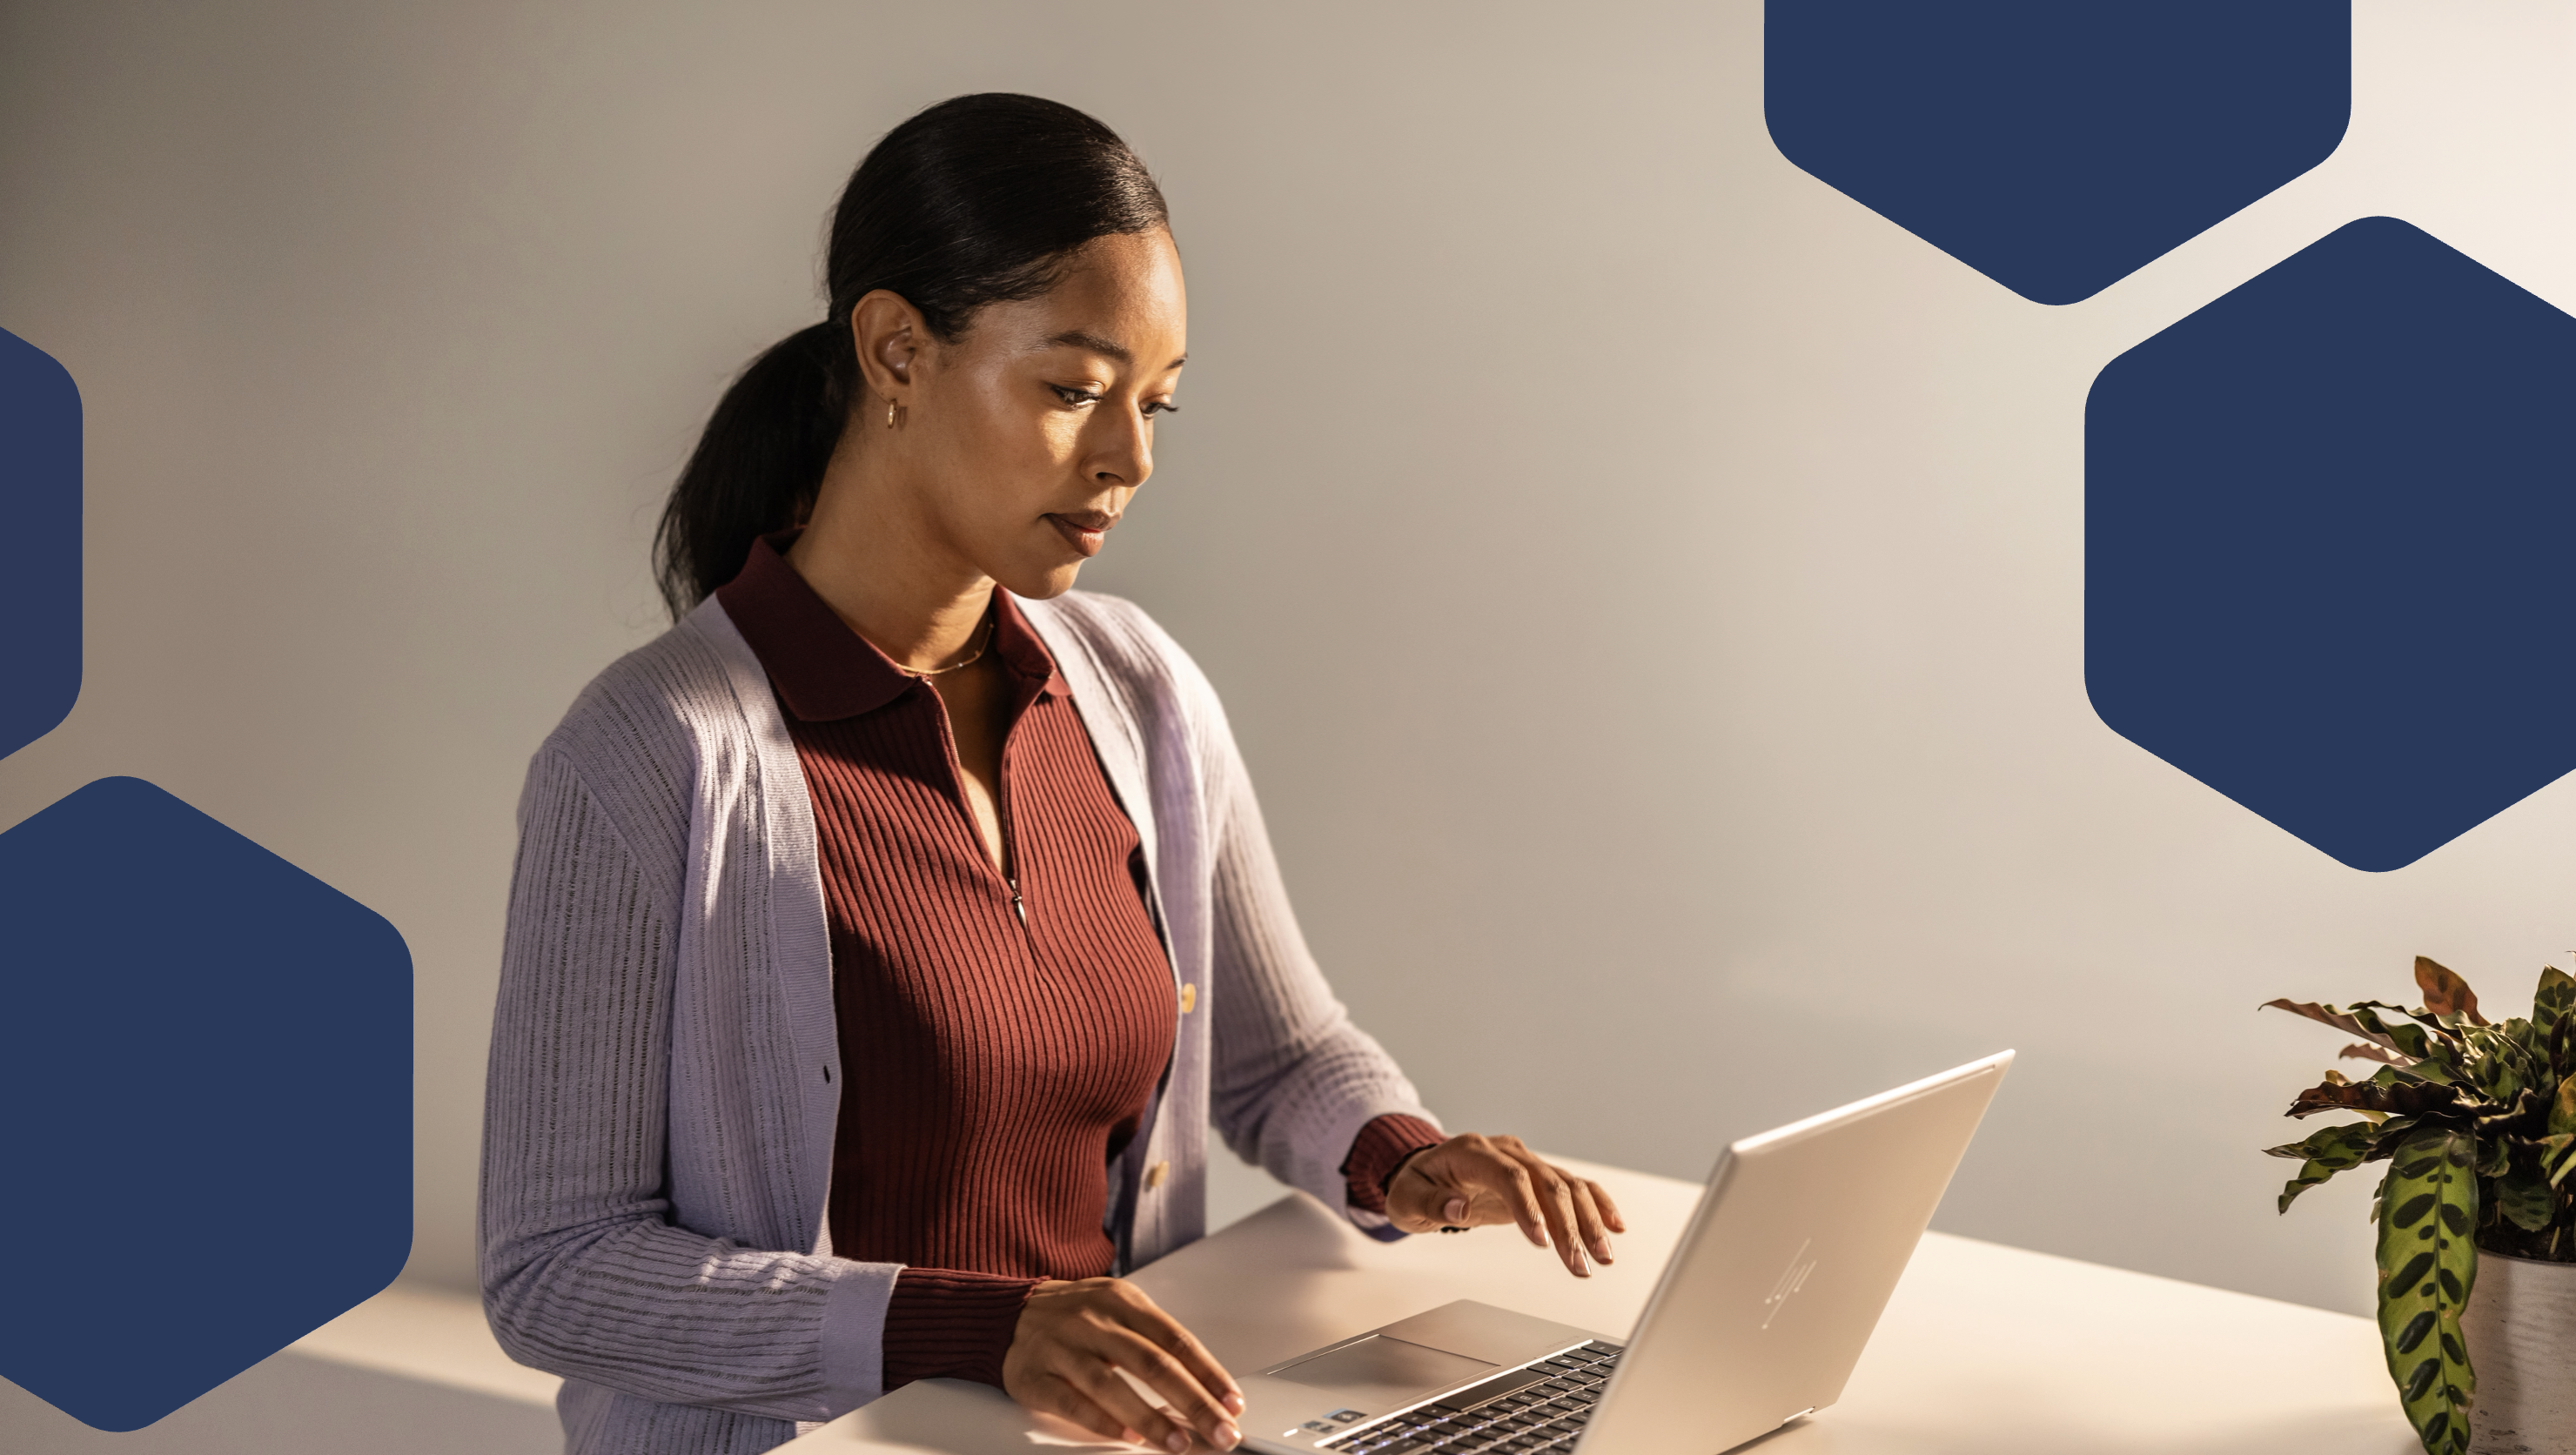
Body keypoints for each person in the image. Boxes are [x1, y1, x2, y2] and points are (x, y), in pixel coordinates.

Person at [478, 93, 1622, 1455]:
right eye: (1074, 391)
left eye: (1156, 403)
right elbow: (555, 1268)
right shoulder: (652, 757)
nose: (1130, 460)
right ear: (897, 350)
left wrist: (1401, 1156)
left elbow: (1280, 1057)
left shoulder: (1135, 690)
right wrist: (974, 1328)